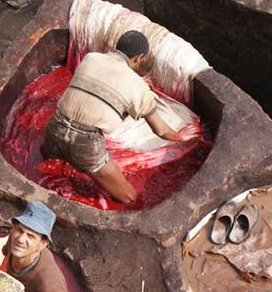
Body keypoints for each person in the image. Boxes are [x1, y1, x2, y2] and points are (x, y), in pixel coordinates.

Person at [41, 30, 183, 204]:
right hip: (85, 143)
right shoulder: (137, 85)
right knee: (130, 197)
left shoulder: (91, 58)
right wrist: (184, 138)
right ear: (138, 58)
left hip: (54, 127)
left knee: (48, 166)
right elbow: (161, 130)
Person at [4, 202, 90, 292]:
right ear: (13, 228)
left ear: (42, 244)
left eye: (30, 236)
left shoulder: (50, 289)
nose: (21, 239)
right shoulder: (16, 242)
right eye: (19, 230)